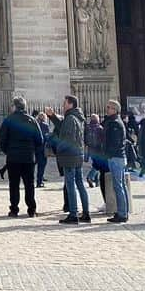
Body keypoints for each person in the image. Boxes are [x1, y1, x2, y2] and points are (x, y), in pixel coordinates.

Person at [0, 97, 42, 219]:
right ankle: (31, 210)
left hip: (13, 158)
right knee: (29, 184)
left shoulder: (9, 120)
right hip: (28, 158)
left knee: (14, 184)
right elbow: (40, 140)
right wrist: (32, 151)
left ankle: (14, 210)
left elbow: (2, 139)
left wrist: (8, 151)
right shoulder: (32, 120)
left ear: (14, 106)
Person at [48, 96, 89, 224]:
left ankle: (73, 214)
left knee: (71, 185)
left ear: (71, 104)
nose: (63, 105)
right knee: (80, 184)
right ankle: (86, 213)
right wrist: (53, 116)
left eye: (64, 103)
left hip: (70, 155)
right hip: (77, 153)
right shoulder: (76, 116)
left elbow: (68, 137)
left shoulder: (70, 118)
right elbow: (63, 128)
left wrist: (58, 149)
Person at [102, 101, 129, 224]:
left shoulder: (115, 123)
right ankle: (123, 211)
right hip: (117, 157)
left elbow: (115, 142)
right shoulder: (114, 121)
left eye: (108, 107)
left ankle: (122, 213)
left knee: (118, 186)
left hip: (116, 157)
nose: (106, 109)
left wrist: (108, 152)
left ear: (114, 109)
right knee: (121, 186)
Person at [34, 112, 49, 188]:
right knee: (42, 165)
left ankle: (38, 179)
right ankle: (39, 181)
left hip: (35, 148)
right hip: (42, 148)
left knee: (33, 164)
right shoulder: (45, 125)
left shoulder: (35, 124)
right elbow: (46, 137)